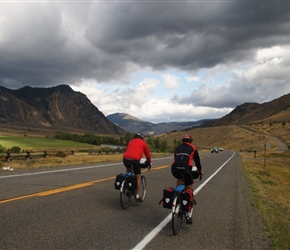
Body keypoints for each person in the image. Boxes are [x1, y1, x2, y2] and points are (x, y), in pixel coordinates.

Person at [171, 134, 203, 224]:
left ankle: (177, 196)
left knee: (179, 178)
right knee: (189, 188)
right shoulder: (193, 148)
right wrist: (200, 171)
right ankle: (189, 214)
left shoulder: (178, 147)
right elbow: (197, 162)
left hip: (174, 169)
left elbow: (175, 158)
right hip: (186, 169)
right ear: (191, 141)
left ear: (182, 141)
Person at [123, 133, 152, 202]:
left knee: (128, 169)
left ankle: (125, 185)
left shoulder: (131, 141)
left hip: (125, 159)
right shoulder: (143, 143)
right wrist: (149, 163)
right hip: (135, 160)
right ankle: (137, 195)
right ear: (141, 138)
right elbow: (148, 155)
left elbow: (128, 150)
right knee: (138, 177)